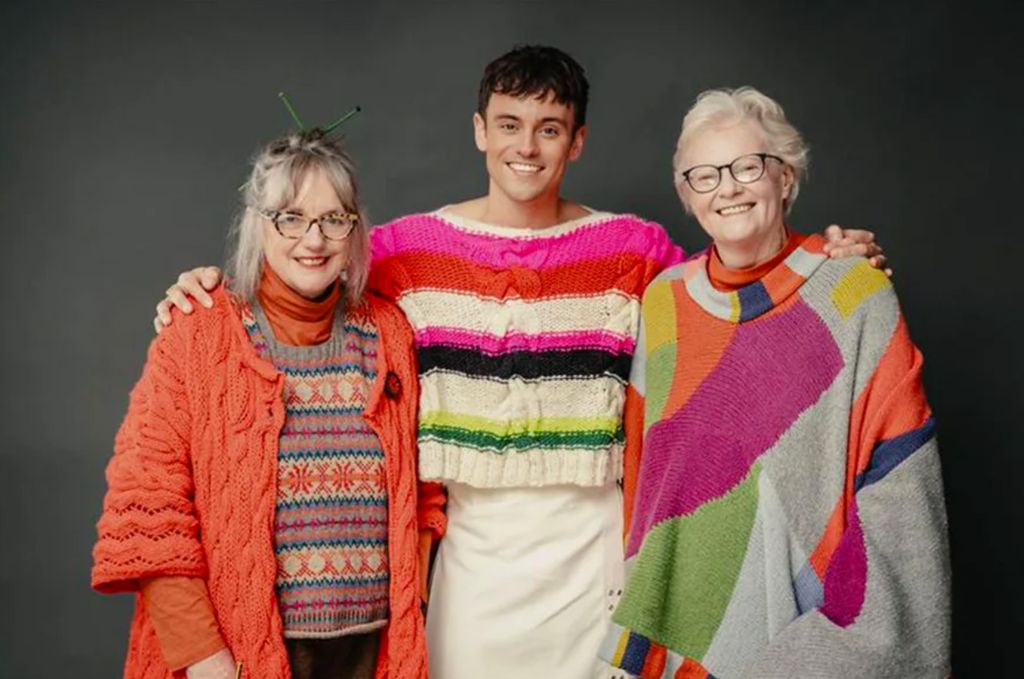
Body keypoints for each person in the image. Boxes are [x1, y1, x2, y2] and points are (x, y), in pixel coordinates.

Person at [151, 47, 886, 679]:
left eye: (549, 128)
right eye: (508, 124)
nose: (526, 146)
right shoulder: (407, 250)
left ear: (578, 140)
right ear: (480, 130)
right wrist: (211, 292)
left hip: (595, 550)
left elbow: (729, 292)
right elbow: (306, 283)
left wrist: (816, 257)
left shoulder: (632, 247)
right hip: (472, 559)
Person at [600, 87, 950, 679]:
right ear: (688, 197)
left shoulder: (852, 294)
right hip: (681, 599)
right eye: (704, 176)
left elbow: (900, 481)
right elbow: (646, 478)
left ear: (785, 179)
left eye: (747, 167)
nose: (728, 189)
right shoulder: (664, 304)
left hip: (798, 620)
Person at [92, 130, 445, 679]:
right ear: (260, 223)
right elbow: (148, 506)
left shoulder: (390, 333)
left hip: (372, 653)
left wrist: (414, 601)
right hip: (237, 654)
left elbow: (423, 492)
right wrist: (204, 659)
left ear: (355, 230)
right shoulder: (198, 332)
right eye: (291, 217)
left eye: (334, 218)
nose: (314, 239)